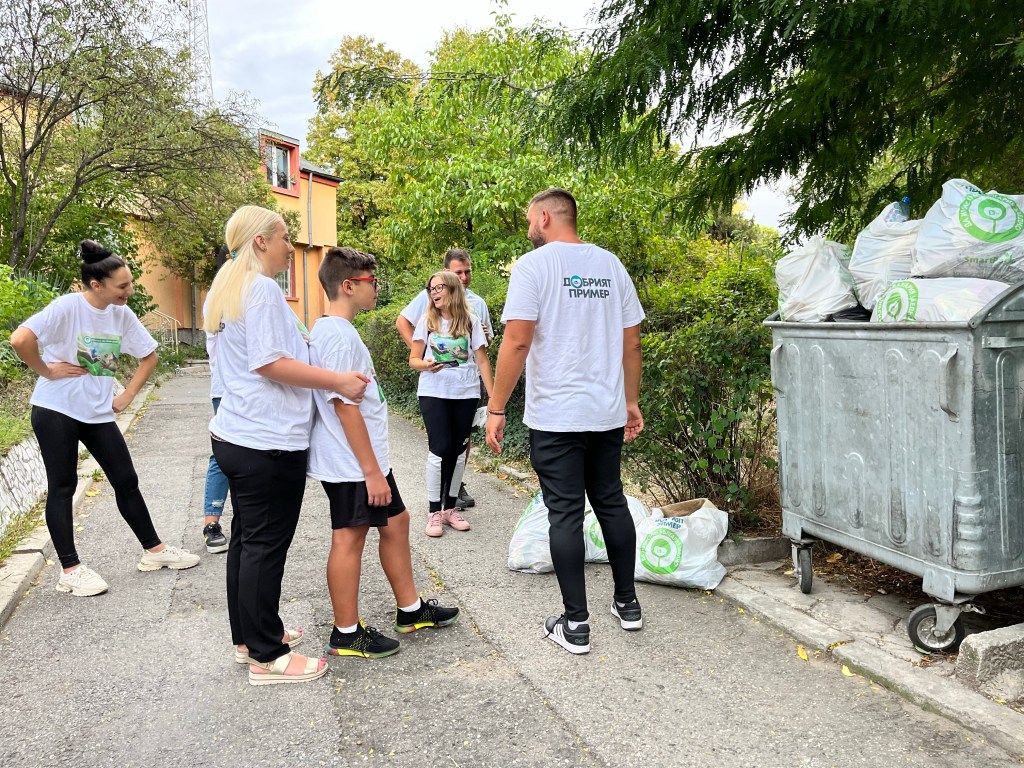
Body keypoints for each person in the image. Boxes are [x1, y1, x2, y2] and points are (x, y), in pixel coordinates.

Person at [204, 205, 369, 686]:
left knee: (246, 542)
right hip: (266, 441)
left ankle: (250, 637)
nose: (288, 248)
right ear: (260, 241)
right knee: (263, 547)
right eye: (283, 238)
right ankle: (268, 656)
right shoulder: (260, 289)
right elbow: (270, 362)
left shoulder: (227, 288)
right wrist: (337, 379)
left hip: (239, 434)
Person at [485, 188, 645, 655]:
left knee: (566, 514)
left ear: (544, 217)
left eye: (528, 220)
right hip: (605, 411)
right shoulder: (611, 265)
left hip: (556, 415)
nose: (528, 228)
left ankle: (576, 624)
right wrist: (630, 401)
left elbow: (517, 341)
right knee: (611, 502)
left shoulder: (533, 267)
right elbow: (632, 342)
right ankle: (628, 604)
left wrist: (496, 407)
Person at [10, 239, 201, 598]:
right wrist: (46, 370)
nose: (130, 291)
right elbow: (20, 339)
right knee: (63, 486)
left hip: (97, 412)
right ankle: (70, 570)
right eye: (122, 286)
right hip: (56, 409)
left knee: (126, 479)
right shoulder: (66, 307)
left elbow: (149, 355)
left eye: (130, 284)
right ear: (96, 285)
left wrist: (127, 394)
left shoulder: (120, 313)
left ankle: (154, 551)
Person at [307, 246, 460, 658]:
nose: (376, 288)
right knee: (349, 537)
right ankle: (346, 632)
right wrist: (372, 472)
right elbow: (345, 408)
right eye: (371, 281)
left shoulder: (338, 331)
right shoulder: (337, 336)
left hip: (365, 459)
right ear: (348, 286)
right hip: (352, 463)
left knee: (396, 522)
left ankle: (410, 610)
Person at [396, 248, 491, 509]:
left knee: (461, 445)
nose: (464, 277)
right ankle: (435, 508)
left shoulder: (477, 306)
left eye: (467, 271)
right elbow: (403, 324)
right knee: (440, 446)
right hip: (436, 387)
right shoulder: (429, 301)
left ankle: (453, 494)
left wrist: (482, 338)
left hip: (467, 387)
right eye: (458, 272)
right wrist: (425, 357)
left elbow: (483, 351)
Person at [200, 245, 230, 554]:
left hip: (253, 392)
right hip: (226, 391)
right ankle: (212, 523)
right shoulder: (218, 298)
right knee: (222, 456)